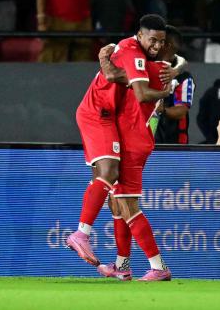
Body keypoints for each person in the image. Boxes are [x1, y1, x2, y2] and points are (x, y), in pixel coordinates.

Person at [67, 15, 177, 279]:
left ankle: (87, 237)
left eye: (162, 42)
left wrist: (105, 61)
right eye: (154, 40)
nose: (158, 46)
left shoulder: (150, 65)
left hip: (129, 139)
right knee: (121, 204)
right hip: (122, 130)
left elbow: (124, 80)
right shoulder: (146, 62)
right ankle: (125, 264)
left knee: (121, 201)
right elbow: (116, 74)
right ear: (140, 35)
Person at [153, 26, 195, 144]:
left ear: (166, 45)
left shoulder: (184, 77)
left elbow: (181, 110)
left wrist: (162, 110)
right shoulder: (145, 66)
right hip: (143, 140)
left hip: (171, 143)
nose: (153, 44)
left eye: (158, 41)